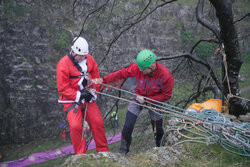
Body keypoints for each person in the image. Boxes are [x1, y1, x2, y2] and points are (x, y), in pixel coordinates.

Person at [93, 49, 174, 155]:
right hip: (138, 97)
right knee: (127, 126)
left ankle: (161, 149)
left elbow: (166, 95)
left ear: (151, 66)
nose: (140, 71)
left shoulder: (165, 75)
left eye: (142, 69)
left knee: (157, 128)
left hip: (154, 101)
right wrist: (104, 80)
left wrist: (147, 100)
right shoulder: (138, 68)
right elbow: (122, 73)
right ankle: (123, 152)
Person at [56, 36, 109, 154]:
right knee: (75, 127)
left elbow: (95, 75)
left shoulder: (89, 59)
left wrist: (93, 91)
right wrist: (79, 95)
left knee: (97, 122)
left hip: (88, 97)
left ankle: (103, 150)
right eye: (80, 56)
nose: (83, 58)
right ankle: (81, 155)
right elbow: (63, 88)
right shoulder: (63, 64)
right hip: (71, 100)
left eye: (84, 56)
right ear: (73, 52)